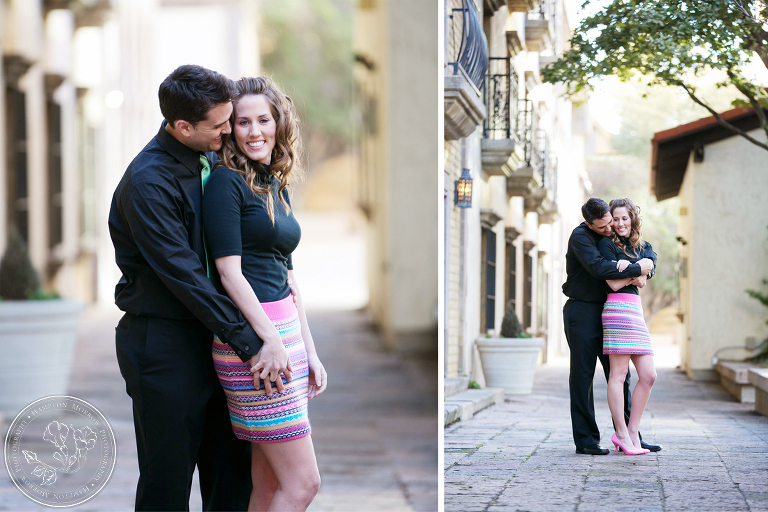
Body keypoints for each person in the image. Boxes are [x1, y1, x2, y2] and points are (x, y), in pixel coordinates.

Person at [109, 65, 291, 511]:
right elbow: (187, 277)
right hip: (165, 347)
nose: (230, 131)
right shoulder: (148, 183)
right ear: (183, 126)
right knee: (167, 485)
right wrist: (255, 342)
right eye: (222, 124)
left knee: (232, 481)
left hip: (219, 344)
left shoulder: (211, 158)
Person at [202, 76, 326, 512]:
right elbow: (229, 274)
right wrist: (269, 341)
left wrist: (308, 350)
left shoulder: (274, 183)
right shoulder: (225, 183)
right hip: (252, 342)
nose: (255, 131)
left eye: (263, 119)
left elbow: (288, 279)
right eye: (242, 122)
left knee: (270, 484)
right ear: (229, 129)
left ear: (279, 122)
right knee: (304, 483)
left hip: (283, 334)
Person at [562, 198, 660, 455]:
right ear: (589, 223)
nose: (610, 228)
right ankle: (586, 439)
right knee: (583, 375)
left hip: (610, 310)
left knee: (621, 375)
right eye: (604, 226)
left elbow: (648, 250)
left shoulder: (617, 235)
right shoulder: (580, 237)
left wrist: (648, 265)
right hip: (582, 310)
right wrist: (641, 269)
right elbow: (600, 269)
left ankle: (629, 434)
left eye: (612, 221)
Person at [598, 198, 657, 455]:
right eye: (616, 218)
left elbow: (651, 266)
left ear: (632, 218)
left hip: (635, 312)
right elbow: (612, 284)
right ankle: (620, 433)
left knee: (649, 375)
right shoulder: (606, 245)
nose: (620, 223)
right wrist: (638, 272)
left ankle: (633, 432)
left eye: (625, 218)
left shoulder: (644, 246)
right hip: (616, 310)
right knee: (618, 375)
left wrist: (632, 272)